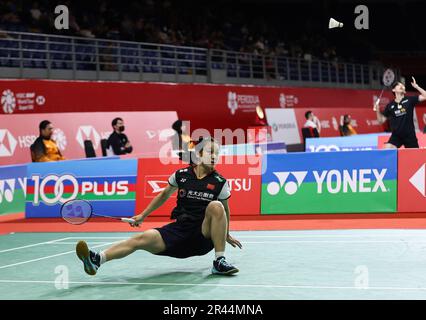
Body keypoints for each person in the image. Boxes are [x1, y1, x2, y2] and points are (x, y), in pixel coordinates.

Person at [75, 137, 242, 276]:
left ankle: (219, 261)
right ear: (198, 154)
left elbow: (224, 211)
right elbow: (163, 195)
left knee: (216, 205)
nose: (214, 156)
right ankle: (97, 260)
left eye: (217, 154)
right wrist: (143, 215)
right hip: (179, 232)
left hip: (202, 236)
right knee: (141, 238)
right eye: (210, 152)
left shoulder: (220, 182)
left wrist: (225, 233)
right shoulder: (181, 175)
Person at [374, 77, 426, 148]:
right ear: (394, 90)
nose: (402, 86)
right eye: (399, 85)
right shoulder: (390, 105)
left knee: (414, 157)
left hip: (409, 135)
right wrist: (377, 111)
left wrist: (416, 86)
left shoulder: (409, 100)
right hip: (396, 136)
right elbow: (380, 121)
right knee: (386, 148)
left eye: (403, 86)